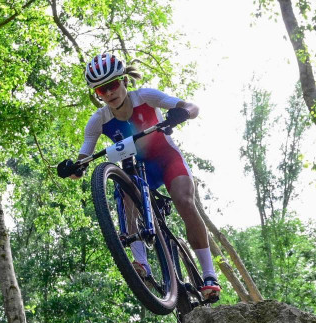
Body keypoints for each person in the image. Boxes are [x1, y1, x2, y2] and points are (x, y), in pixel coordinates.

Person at [66, 52, 221, 302]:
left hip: (167, 160)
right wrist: (74, 168)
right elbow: (83, 158)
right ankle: (141, 263)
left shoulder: (146, 97)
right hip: (137, 171)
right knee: (125, 192)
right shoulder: (97, 121)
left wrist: (183, 113)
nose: (108, 94)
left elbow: (192, 106)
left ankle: (210, 275)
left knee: (184, 201)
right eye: (100, 91)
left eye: (112, 85)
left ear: (124, 81)